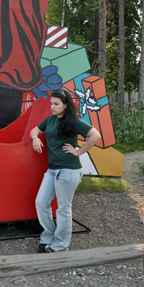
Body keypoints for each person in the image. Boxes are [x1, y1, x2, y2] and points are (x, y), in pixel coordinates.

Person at [30, 89, 101, 253]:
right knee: (41, 202)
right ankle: (48, 236)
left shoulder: (73, 121)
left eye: (56, 104)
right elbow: (35, 130)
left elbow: (95, 135)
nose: (52, 107)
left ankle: (60, 244)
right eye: (51, 104)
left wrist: (79, 151)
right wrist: (35, 138)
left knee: (63, 208)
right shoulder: (50, 120)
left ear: (65, 105)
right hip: (53, 170)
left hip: (68, 170)